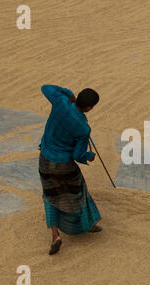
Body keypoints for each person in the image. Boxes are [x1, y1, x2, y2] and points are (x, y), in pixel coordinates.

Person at [39, 84, 102, 255]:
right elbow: (78, 155)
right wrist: (89, 156)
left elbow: (46, 87)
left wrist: (68, 95)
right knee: (79, 191)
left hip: (45, 161)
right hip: (65, 165)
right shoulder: (83, 128)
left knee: (50, 196)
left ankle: (55, 235)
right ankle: (88, 225)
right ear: (89, 108)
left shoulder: (60, 102)